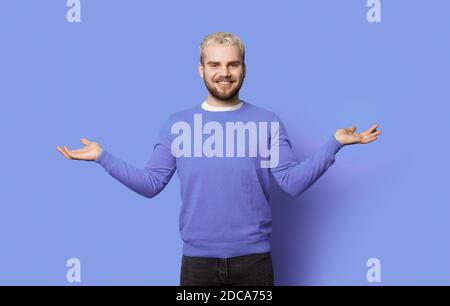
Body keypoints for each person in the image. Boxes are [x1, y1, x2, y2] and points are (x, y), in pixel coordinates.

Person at [56, 32, 382, 286]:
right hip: (197, 265)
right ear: (201, 69)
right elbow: (151, 183)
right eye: (215, 65)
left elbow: (292, 183)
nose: (224, 73)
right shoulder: (177, 124)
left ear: (243, 68)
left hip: (254, 262)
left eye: (232, 64)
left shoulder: (267, 122)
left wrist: (334, 144)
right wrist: (103, 157)